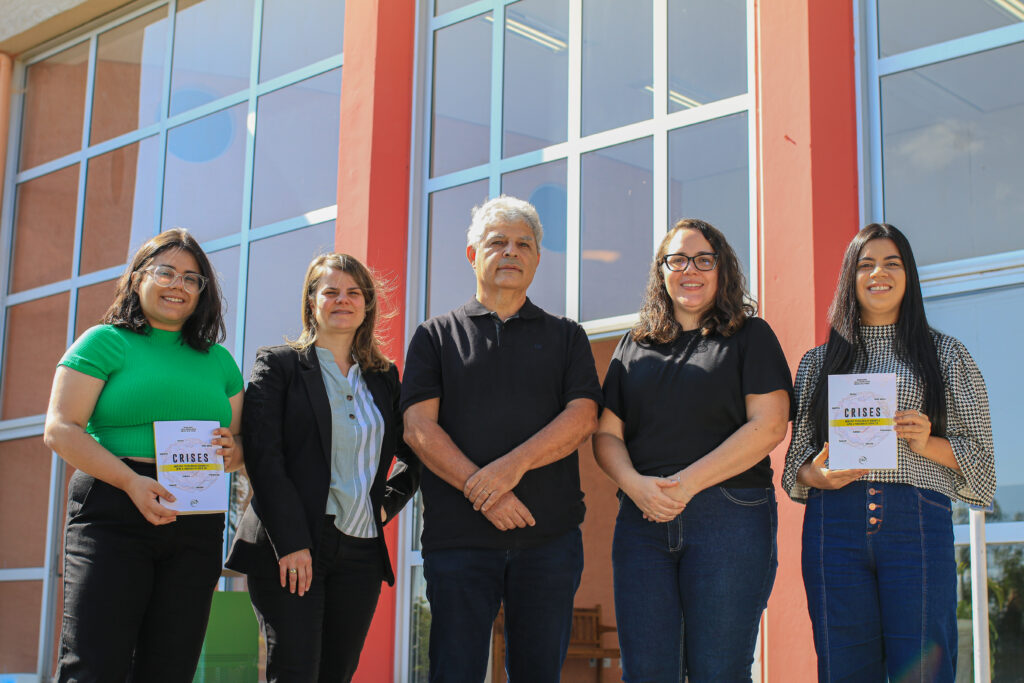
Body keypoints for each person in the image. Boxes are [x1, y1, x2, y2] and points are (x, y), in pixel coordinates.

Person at [782, 223, 996, 682]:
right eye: (866, 264)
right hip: (833, 526)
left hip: (916, 523)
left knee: (923, 668)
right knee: (843, 667)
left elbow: (983, 466)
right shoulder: (817, 362)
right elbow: (794, 465)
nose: (879, 273)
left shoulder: (946, 355)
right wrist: (816, 476)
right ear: (850, 277)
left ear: (909, 275)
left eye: (891, 263)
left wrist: (927, 442)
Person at [401, 195, 602, 682]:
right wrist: (486, 492)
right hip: (459, 541)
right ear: (473, 254)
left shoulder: (567, 336)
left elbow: (582, 417)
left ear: (537, 258)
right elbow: (418, 429)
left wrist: (507, 470)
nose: (511, 252)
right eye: (498, 242)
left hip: (549, 540)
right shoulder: (435, 336)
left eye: (523, 244)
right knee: (454, 672)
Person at [593, 218, 792, 682]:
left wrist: (684, 485)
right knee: (646, 672)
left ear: (722, 269)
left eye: (704, 260)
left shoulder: (750, 336)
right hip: (642, 519)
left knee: (718, 671)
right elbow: (606, 436)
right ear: (661, 271)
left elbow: (769, 425)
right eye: (678, 260)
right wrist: (635, 486)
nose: (690, 270)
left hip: (729, 516)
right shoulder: (632, 345)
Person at [43, 228, 243, 682]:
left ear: (202, 292)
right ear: (137, 279)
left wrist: (234, 450)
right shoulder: (103, 342)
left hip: (196, 517)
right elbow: (60, 429)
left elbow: (237, 444)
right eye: (166, 272)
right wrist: (131, 482)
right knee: (95, 664)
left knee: (171, 668)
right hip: (113, 507)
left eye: (191, 279)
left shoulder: (219, 361)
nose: (178, 285)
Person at [225, 253, 419, 683]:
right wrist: (292, 542)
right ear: (311, 302)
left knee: (337, 674)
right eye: (330, 291)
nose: (342, 300)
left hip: (362, 551)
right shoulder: (279, 364)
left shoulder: (384, 377)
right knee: (295, 672)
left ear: (367, 305)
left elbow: (413, 451)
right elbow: (263, 457)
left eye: (353, 293)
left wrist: (385, 504)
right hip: (293, 544)